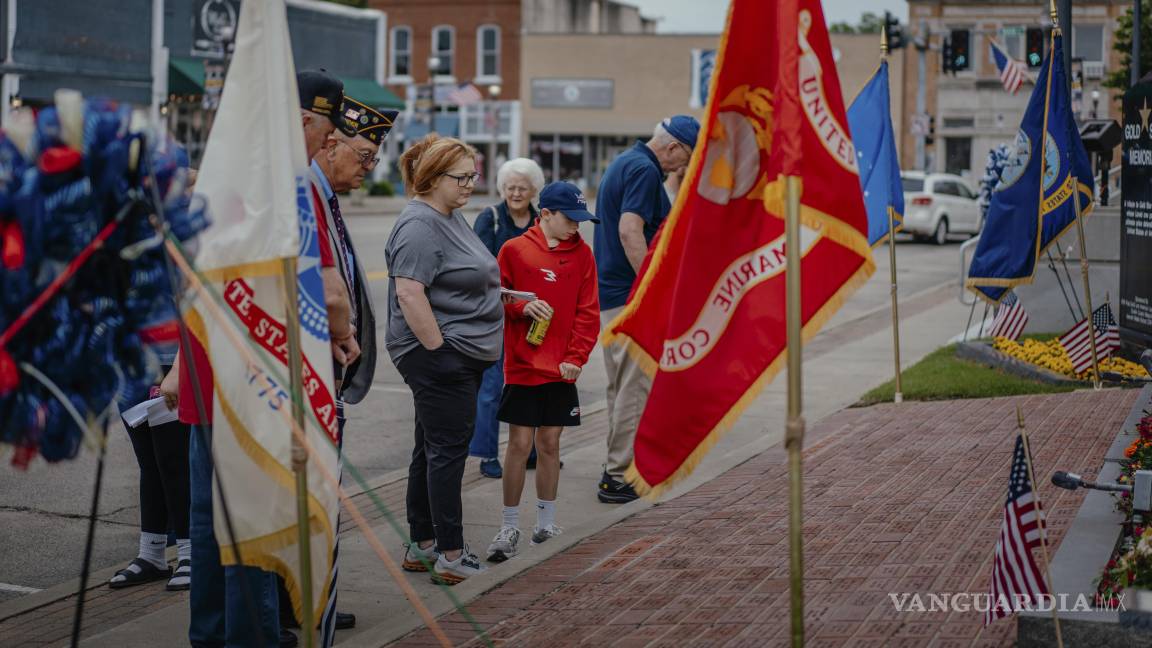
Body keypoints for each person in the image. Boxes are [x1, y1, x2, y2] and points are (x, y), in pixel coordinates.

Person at [181, 69, 355, 648]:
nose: (327, 147)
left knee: (209, 528)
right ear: (302, 120)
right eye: (326, 134)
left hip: (210, 370)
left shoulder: (223, 173)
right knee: (255, 528)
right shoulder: (290, 182)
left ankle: (208, 637)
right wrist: (343, 333)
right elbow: (329, 292)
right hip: (259, 385)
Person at [300, 95, 397, 646]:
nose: (367, 167)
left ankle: (314, 599)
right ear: (330, 141)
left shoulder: (327, 197)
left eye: (373, 159)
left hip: (330, 373)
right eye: (363, 154)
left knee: (323, 494)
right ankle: (304, 605)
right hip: (311, 371)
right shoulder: (306, 193)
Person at [385, 134, 502, 585]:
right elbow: (409, 292)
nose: (472, 184)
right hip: (439, 357)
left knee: (429, 450)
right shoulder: (419, 225)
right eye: (463, 177)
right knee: (448, 454)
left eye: (474, 175)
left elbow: (456, 278)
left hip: (457, 354)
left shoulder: (449, 215)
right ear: (433, 178)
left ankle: (423, 544)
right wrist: (441, 352)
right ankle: (451, 555)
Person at [486, 182, 599, 561]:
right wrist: (521, 309)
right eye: (570, 219)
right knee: (519, 446)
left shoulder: (583, 255)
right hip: (522, 366)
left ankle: (546, 522)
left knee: (550, 445)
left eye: (581, 220)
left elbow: (588, 313)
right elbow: (495, 298)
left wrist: (577, 358)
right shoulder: (514, 250)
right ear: (546, 214)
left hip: (562, 369)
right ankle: (508, 525)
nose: (576, 228)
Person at [593, 115, 699, 504]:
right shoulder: (644, 170)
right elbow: (629, 229)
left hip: (612, 296)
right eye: (684, 158)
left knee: (620, 387)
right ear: (672, 147)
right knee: (633, 389)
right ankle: (618, 475)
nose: (681, 167)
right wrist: (650, 289)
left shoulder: (626, 161)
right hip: (628, 296)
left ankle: (615, 465)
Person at [470, 158, 545, 479]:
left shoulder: (543, 219)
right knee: (491, 388)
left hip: (533, 317)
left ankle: (528, 450)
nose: (516, 193)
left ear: (534, 190)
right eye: (511, 187)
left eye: (522, 188)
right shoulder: (490, 218)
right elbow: (478, 266)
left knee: (531, 385)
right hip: (497, 316)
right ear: (502, 189)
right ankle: (487, 454)